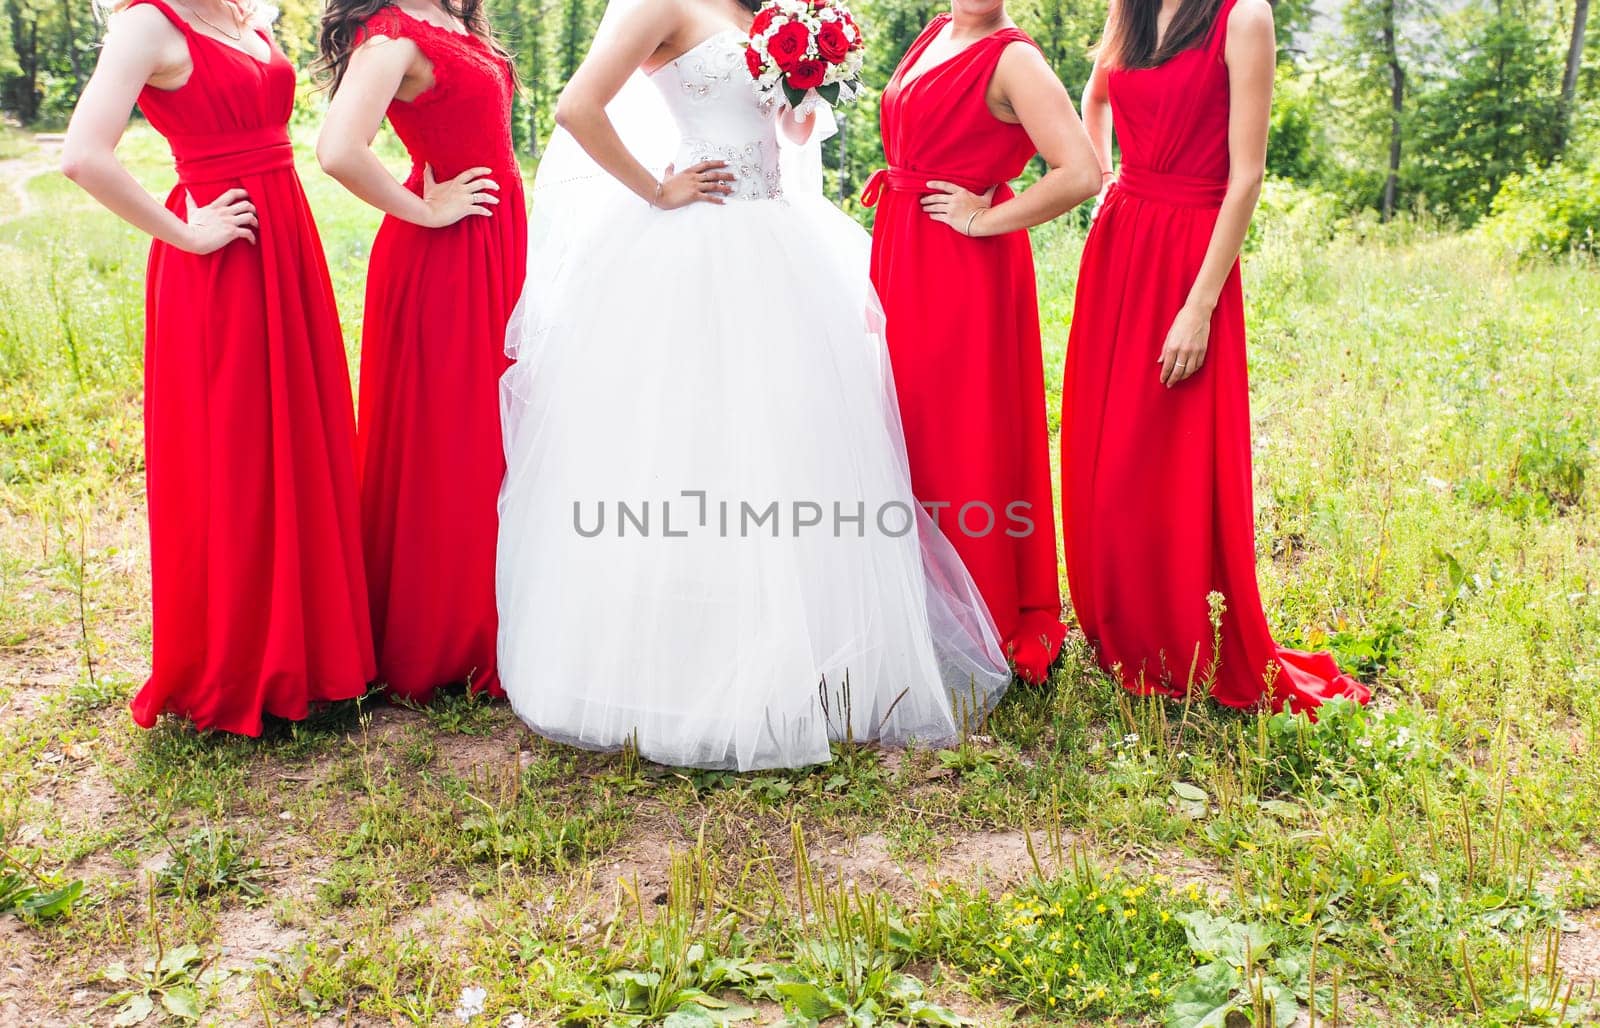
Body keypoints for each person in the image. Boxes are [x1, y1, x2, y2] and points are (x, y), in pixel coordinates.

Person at [494, 0, 1011, 770]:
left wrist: (806, 89)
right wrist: (655, 188)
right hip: (696, 245)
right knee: (691, 445)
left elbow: (787, 130)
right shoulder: (659, 4)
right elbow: (577, 107)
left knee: (791, 442)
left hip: (777, 240)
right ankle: (678, 665)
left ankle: (804, 659)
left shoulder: (765, 13)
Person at [61, 0, 374, 735]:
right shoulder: (148, 23)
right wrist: (184, 234)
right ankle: (245, 664)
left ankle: (315, 652)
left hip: (284, 236)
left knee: (294, 439)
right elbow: (82, 155)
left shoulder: (246, 14)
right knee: (236, 455)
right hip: (222, 256)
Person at [1061, 0, 1372, 712]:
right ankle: (1122, 623)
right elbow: (1098, 89)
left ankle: (1178, 633)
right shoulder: (1131, 12)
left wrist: (1199, 305)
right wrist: (1104, 170)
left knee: (1170, 446)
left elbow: (1248, 175)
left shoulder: (1242, 17)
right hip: (1121, 240)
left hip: (1190, 252)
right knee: (1108, 445)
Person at [865, 0, 1101, 684]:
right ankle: (913, 601)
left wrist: (982, 219)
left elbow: (1081, 172)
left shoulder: (1015, 57)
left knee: (953, 430)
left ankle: (973, 612)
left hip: (961, 264)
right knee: (902, 419)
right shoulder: (940, 29)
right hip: (903, 247)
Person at [316, 0, 526, 703]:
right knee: (455, 434)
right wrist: (427, 210)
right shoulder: (392, 32)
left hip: (496, 238)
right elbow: (339, 149)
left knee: (499, 426)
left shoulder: (452, 17)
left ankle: (508, 604)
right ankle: (448, 632)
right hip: (447, 250)